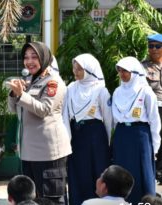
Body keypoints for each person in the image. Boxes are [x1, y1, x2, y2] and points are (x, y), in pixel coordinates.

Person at [6, 42, 71, 205]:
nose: (29, 61)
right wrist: (14, 94)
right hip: (29, 152)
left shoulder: (53, 82)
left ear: (44, 58)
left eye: (34, 57)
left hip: (49, 152)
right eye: (26, 57)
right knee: (30, 200)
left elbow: (44, 109)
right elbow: (13, 109)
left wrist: (22, 95)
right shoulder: (28, 81)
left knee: (51, 199)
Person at [62, 53, 112, 205]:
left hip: (95, 136)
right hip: (76, 136)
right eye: (74, 68)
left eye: (79, 69)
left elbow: (109, 120)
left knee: (97, 172)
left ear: (89, 70)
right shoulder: (70, 88)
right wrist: (67, 139)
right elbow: (65, 115)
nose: (75, 72)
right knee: (78, 173)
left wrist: (109, 144)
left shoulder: (100, 90)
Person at [111, 56, 161, 204]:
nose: (121, 74)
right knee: (122, 171)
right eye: (119, 71)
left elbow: (154, 120)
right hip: (122, 135)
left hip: (140, 135)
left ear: (134, 72)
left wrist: (155, 146)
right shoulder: (117, 92)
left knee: (142, 172)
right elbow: (115, 119)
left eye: (125, 71)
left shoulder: (146, 92)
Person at [142, 33, 162, 183]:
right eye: (151, 46)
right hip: (154, 108)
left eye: (157, 46)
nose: (153, 49)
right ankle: (156, 171)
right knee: (156, 139)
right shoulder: (143, 67)